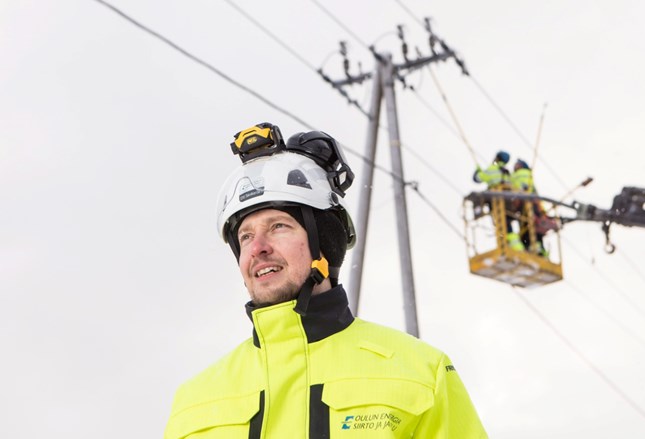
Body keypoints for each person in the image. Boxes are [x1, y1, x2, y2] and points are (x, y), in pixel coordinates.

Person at [164, 122, 487, 438]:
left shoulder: (421, 372)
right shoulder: (193, 402)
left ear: (325, 243)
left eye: (279, 226)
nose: (259, 248)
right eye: (245, 236)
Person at [509, 159, 548, 257]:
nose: (515, 167)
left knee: (527, 227)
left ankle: (532, 248)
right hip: (531, 205)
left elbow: (514, 188)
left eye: (517, 165)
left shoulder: (518, 175)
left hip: (525, 204)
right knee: (532, 228)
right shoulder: (528, 175)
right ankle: (538, 250)